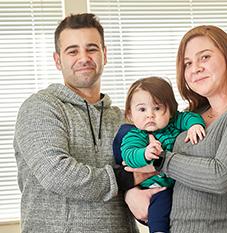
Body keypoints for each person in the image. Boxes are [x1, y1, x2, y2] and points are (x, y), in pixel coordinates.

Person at [124, 25, 227, 233]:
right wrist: (132, 193)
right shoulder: (190, 117)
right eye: (187, 63)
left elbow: (222, 178)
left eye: (205, 57)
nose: (195, 68)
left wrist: (161, 160)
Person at [13, 13, 162, 233]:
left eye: (91, 48)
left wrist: (134, 191)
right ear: (57, 60)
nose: (84, 57)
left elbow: (151, 169)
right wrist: (125, 179)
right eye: (72, 51)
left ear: (105, 54)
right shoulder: (40, 107)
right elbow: (57, 174)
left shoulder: (125, 118)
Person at [113, 76, 206, 233]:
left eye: (157, 108)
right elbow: (129, 155)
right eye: (142, 109)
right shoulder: (135, 135)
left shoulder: (174, 123)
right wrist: (145, 153)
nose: (150, 115)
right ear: (130, 114)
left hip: (180, 184)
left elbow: (189, 116)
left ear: (170, 110)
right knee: (160, 208)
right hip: (155, 187)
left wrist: (195, 125)